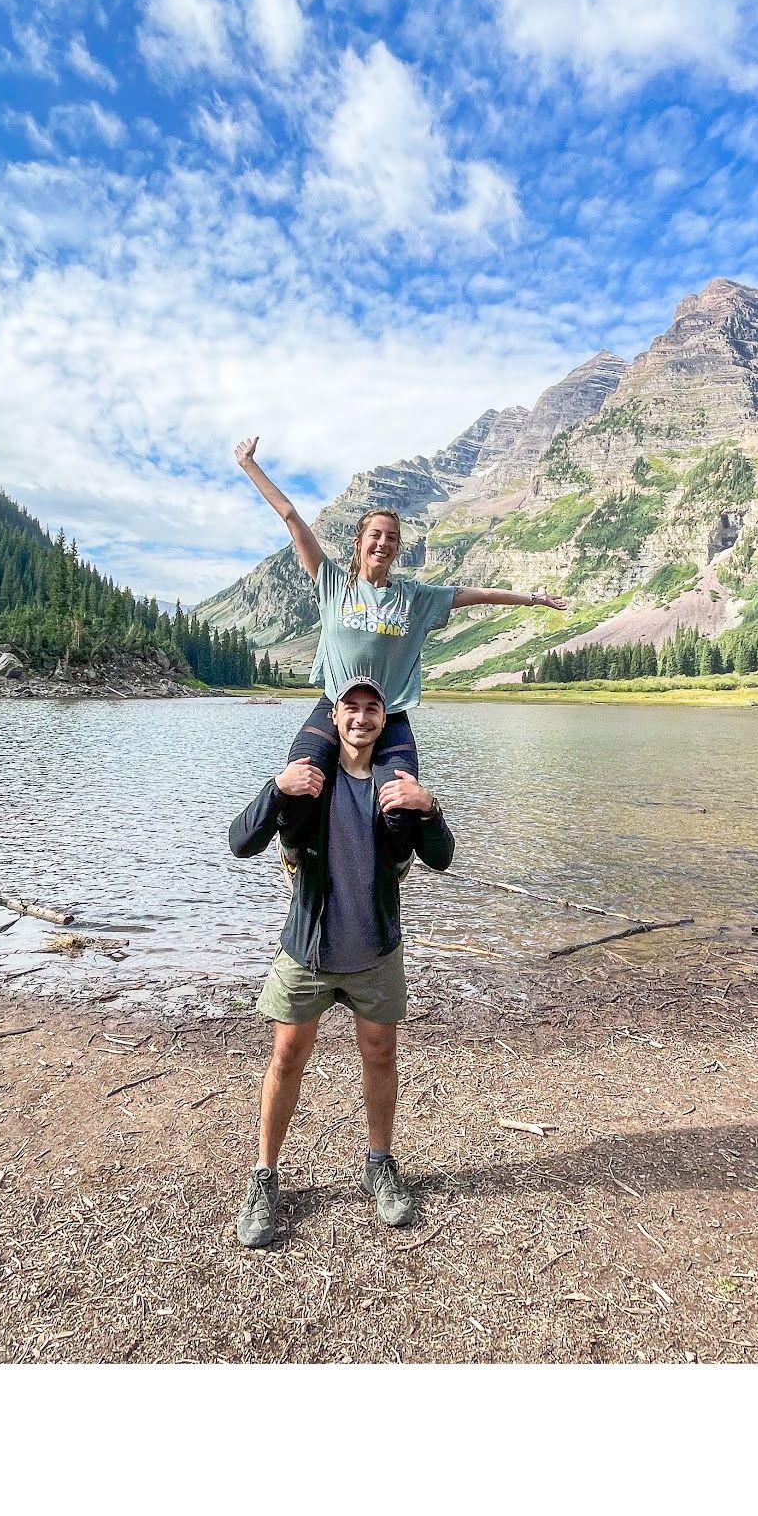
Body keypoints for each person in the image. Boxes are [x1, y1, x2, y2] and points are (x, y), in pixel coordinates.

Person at [227, 674, 456, 1248]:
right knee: (287, 1057)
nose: (360, 717)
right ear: (334, 718)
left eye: (372, 708)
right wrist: (276, 789)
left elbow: (442, 858)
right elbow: (241, 842)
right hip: (308, 950)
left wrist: (430, 808)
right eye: (349, 707)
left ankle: (379, 1164)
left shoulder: (396, 787)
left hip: (375, 951)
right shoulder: (309, 781)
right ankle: (264, 1176)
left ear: (383, 720)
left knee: (380, 1055)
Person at [235, 437, 564, 826]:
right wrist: (249, 465)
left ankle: (394, 853)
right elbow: (290, 516)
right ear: (359, 543)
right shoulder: (333, 583)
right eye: (375, 535)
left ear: (397, 548)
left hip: (389, 713)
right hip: (336, 707)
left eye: (391, 537)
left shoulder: (415, 597)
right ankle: (295, 850)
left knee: (401, 803)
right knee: (300, 782)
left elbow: (478, 594)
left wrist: (532, 598)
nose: (383, 543)